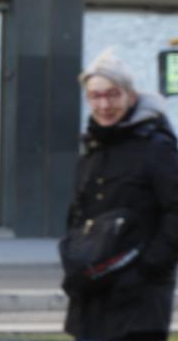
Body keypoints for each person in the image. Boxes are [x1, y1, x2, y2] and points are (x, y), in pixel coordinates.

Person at [61, 48, 178, 341]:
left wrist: (149, 268)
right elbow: (80, 213)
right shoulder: (93, 148)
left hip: (138, 302)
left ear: (130, 96)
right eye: (95, 96)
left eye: (112, 94)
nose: (104, 104)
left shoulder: (156, 147)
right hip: (92, 293)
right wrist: (71, 256)